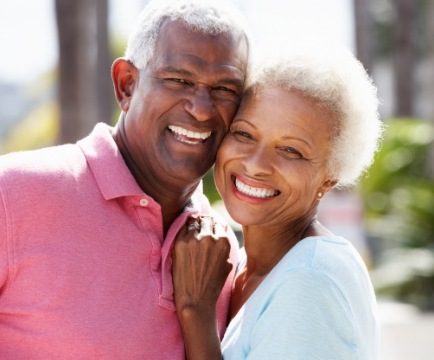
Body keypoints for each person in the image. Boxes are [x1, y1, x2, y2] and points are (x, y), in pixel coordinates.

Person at [0, 0, 251, 358]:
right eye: (179, 80)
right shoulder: (13, 194)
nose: (202, 108)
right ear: (126, 85)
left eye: (225, 89)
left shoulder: (221, 247)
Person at [172, 44, 383, 359]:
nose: (256, 164)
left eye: (291, 151)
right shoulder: (248, 264)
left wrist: (196, 312)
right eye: (244, 135)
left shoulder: (309, 281)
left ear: (330, 177)